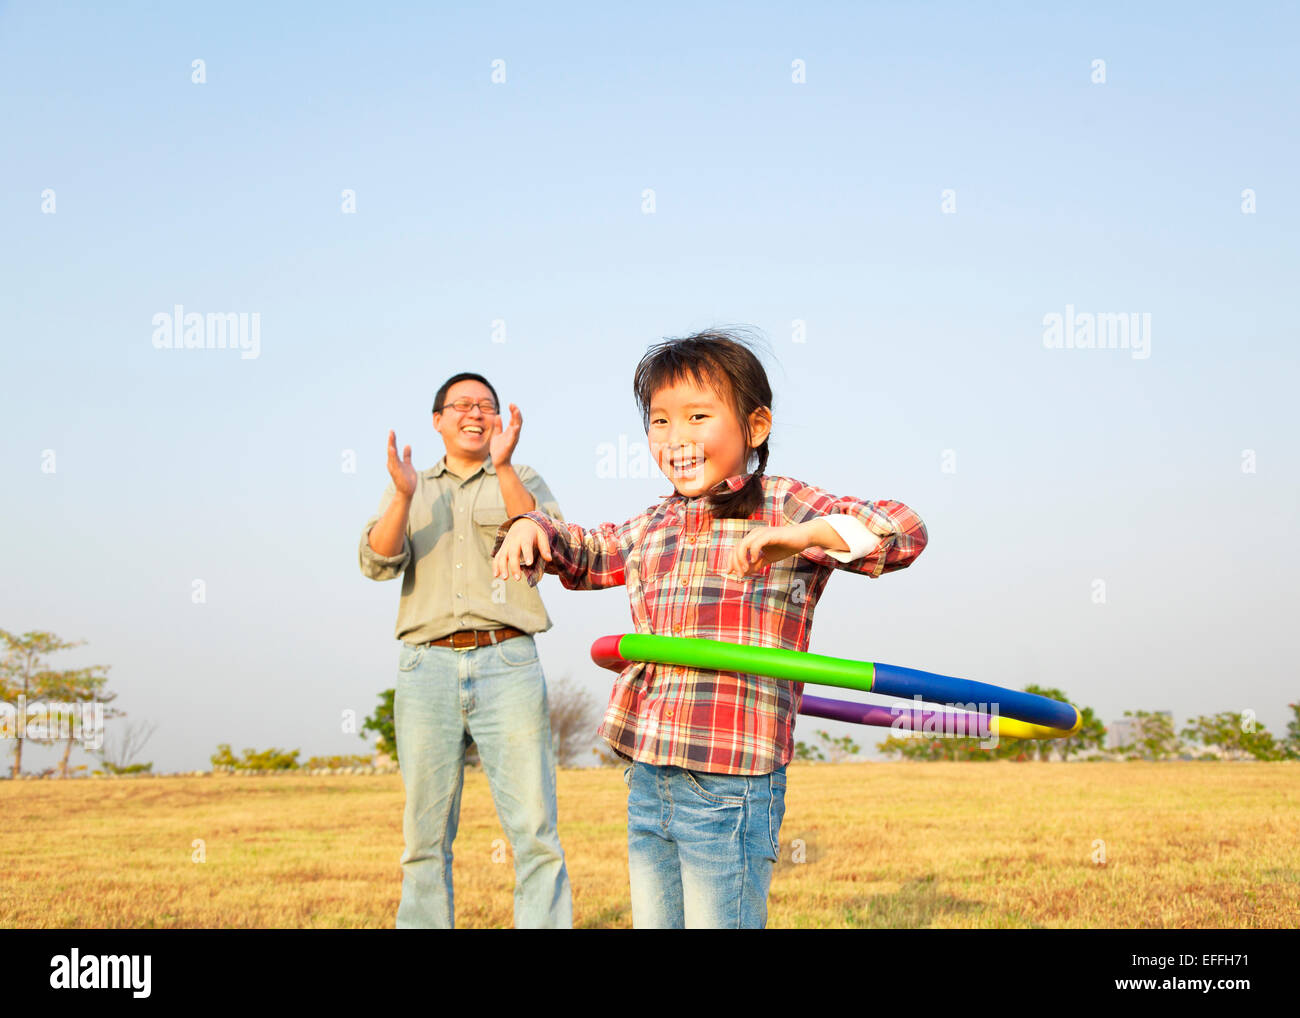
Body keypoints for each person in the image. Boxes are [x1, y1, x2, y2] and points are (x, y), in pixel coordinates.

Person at [491, 330, 928, 928]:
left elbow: (902, 531)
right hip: (650, 772)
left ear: (755, 426)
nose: (677, 439)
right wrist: (529, 525)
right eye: (661, 421)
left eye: (699, 416)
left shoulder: (779, 503)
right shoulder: (654, 522)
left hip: (732, 777)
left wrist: (805, 537)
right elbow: (589, 551)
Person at [358, 371, 572, 929]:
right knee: (423, 836)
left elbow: (550, 542)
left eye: (486, 405)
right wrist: (403, 496)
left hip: (508, 660)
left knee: (534, 831)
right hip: (425, 664)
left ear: (499, 421)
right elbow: (378, 561)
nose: (474, 413)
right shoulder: (410, 483)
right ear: (438, 420)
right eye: (461, 405)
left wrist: (502, 467)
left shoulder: (520, 476)